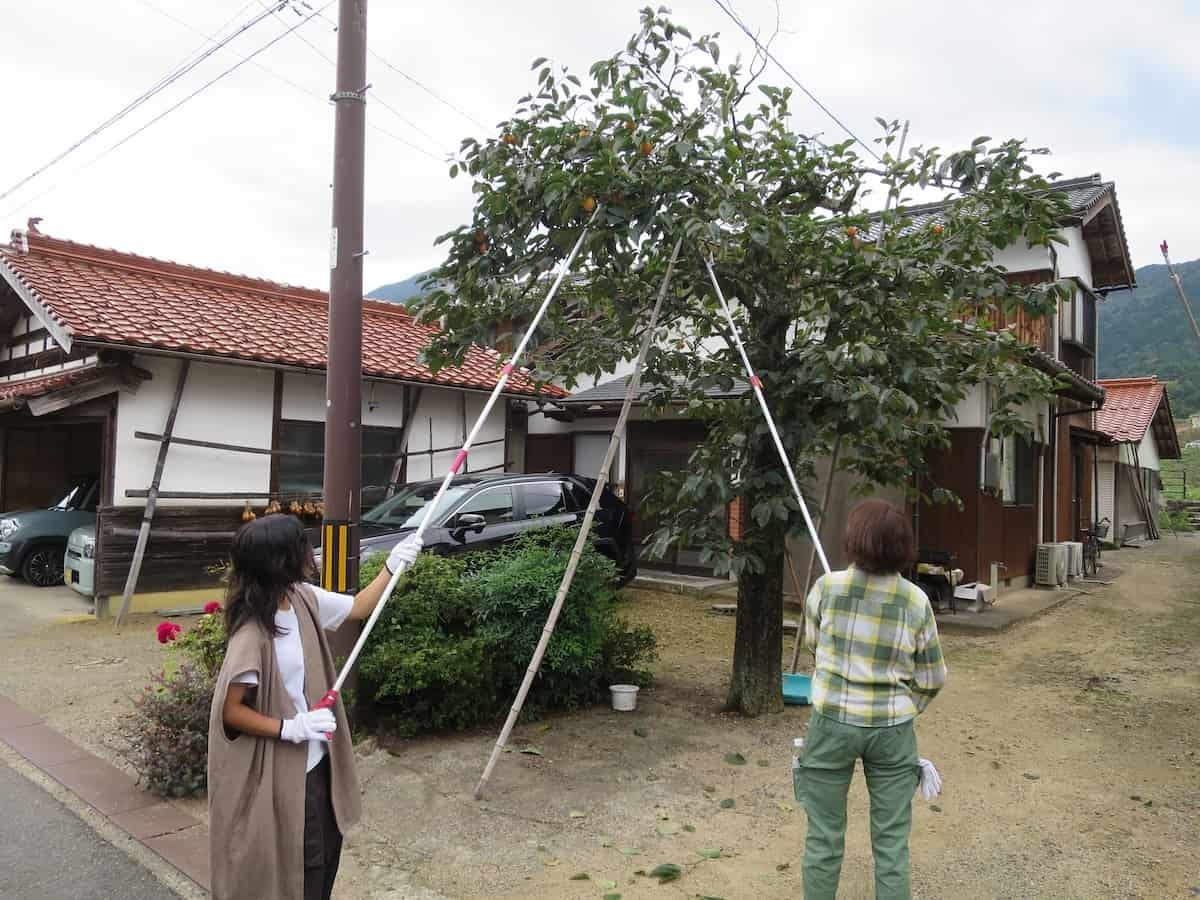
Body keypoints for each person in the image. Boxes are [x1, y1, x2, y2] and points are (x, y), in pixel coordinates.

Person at [207, 515, 422, 900]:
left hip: (319, 762)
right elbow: (231, 711)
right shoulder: (253, 630)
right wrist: (291, 728)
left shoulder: (302, 598)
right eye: (302, 546)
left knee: (328, 853)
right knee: (304, 866)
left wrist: (393, 566)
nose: (310, 552)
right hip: (287, 773)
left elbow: (358, 607)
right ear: (281, 560)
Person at [797, 499, 947, 900]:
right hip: (893, 731)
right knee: (892, 845)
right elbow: (933, 677)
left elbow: (815, 645)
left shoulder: (826, 589)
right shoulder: (915, 601)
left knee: (823, 839)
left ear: (853, 541)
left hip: (831, 725)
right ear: (903, 547)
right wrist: (902, 709)